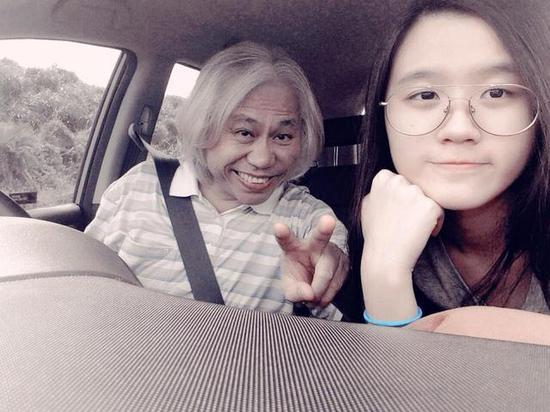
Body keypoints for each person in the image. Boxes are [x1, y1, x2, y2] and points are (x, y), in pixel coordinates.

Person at [86, 41, 349, 320]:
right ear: (204, 127)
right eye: (244, 132)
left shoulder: (308, 219)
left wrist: (325, 273)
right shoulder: (136, 188)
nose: (262, 159)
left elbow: (328, 261)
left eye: (282, 136)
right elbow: (84, 283)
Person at [351, 0, 550, 338]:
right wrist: (384, 271)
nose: (458, 129)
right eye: (426, 95)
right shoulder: (368, 234)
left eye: (496, 92)